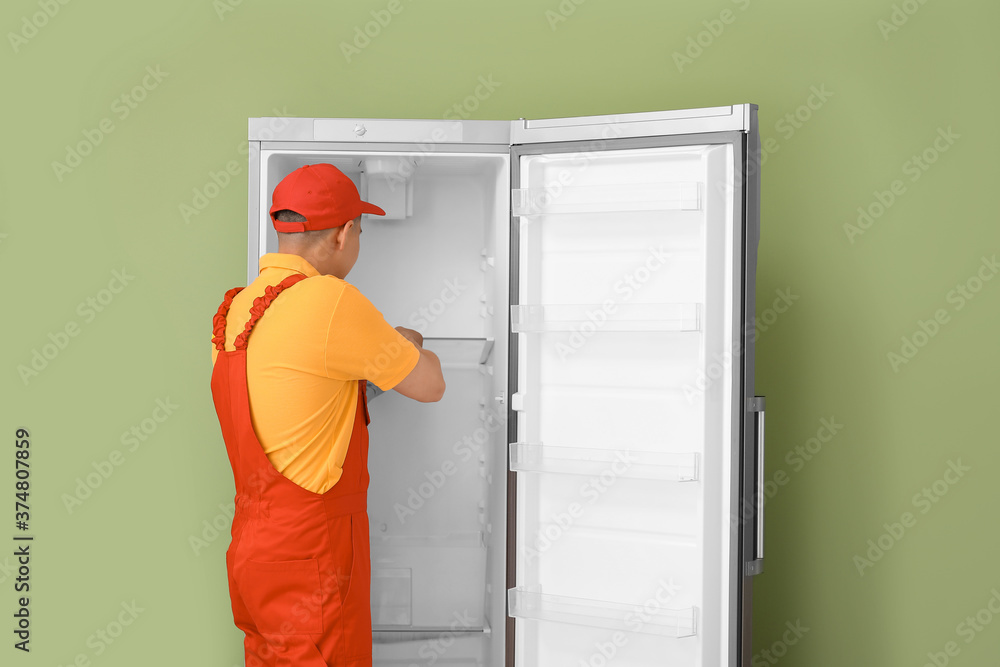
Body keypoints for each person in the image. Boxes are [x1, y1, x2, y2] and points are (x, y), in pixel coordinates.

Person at [209, 163, 445, 666]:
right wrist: (408, 342)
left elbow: (298, 402)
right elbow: (430, 385)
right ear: (343, 233)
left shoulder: (238, 309)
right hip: (313, 550)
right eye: (359, 231)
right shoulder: (329, 300)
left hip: (253, 547)